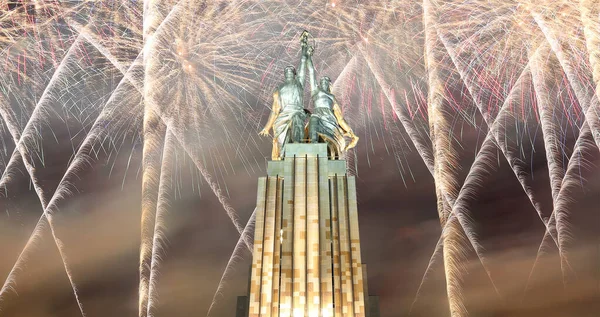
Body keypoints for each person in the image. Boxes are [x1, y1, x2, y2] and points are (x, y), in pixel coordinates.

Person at [259, 32, 310, 160]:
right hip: (282, 116)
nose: (288, 71)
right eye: (286, 70)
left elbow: (303, 61)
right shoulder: (278, 89)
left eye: (291, 70)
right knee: (281, 139)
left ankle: (298, 155)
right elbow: (275, 110)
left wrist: (304, 44)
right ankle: (283, 156)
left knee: (297, 132)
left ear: (294, 74)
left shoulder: (299, 82)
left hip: (297, 112)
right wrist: (267, 127)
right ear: (284, 74)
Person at [305, 46, 358, 158]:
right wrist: (308, 55)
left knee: (314, 119)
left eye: (326, 81)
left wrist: (351, 133)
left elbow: (340, 118)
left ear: (330, 86)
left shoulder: (332, 98)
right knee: (313, 118)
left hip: (330, 120)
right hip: (318, 116)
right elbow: (311, 72)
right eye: (322, 81)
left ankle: (323, 147)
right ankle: (314, 144)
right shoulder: (316, 91)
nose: (323, 82)